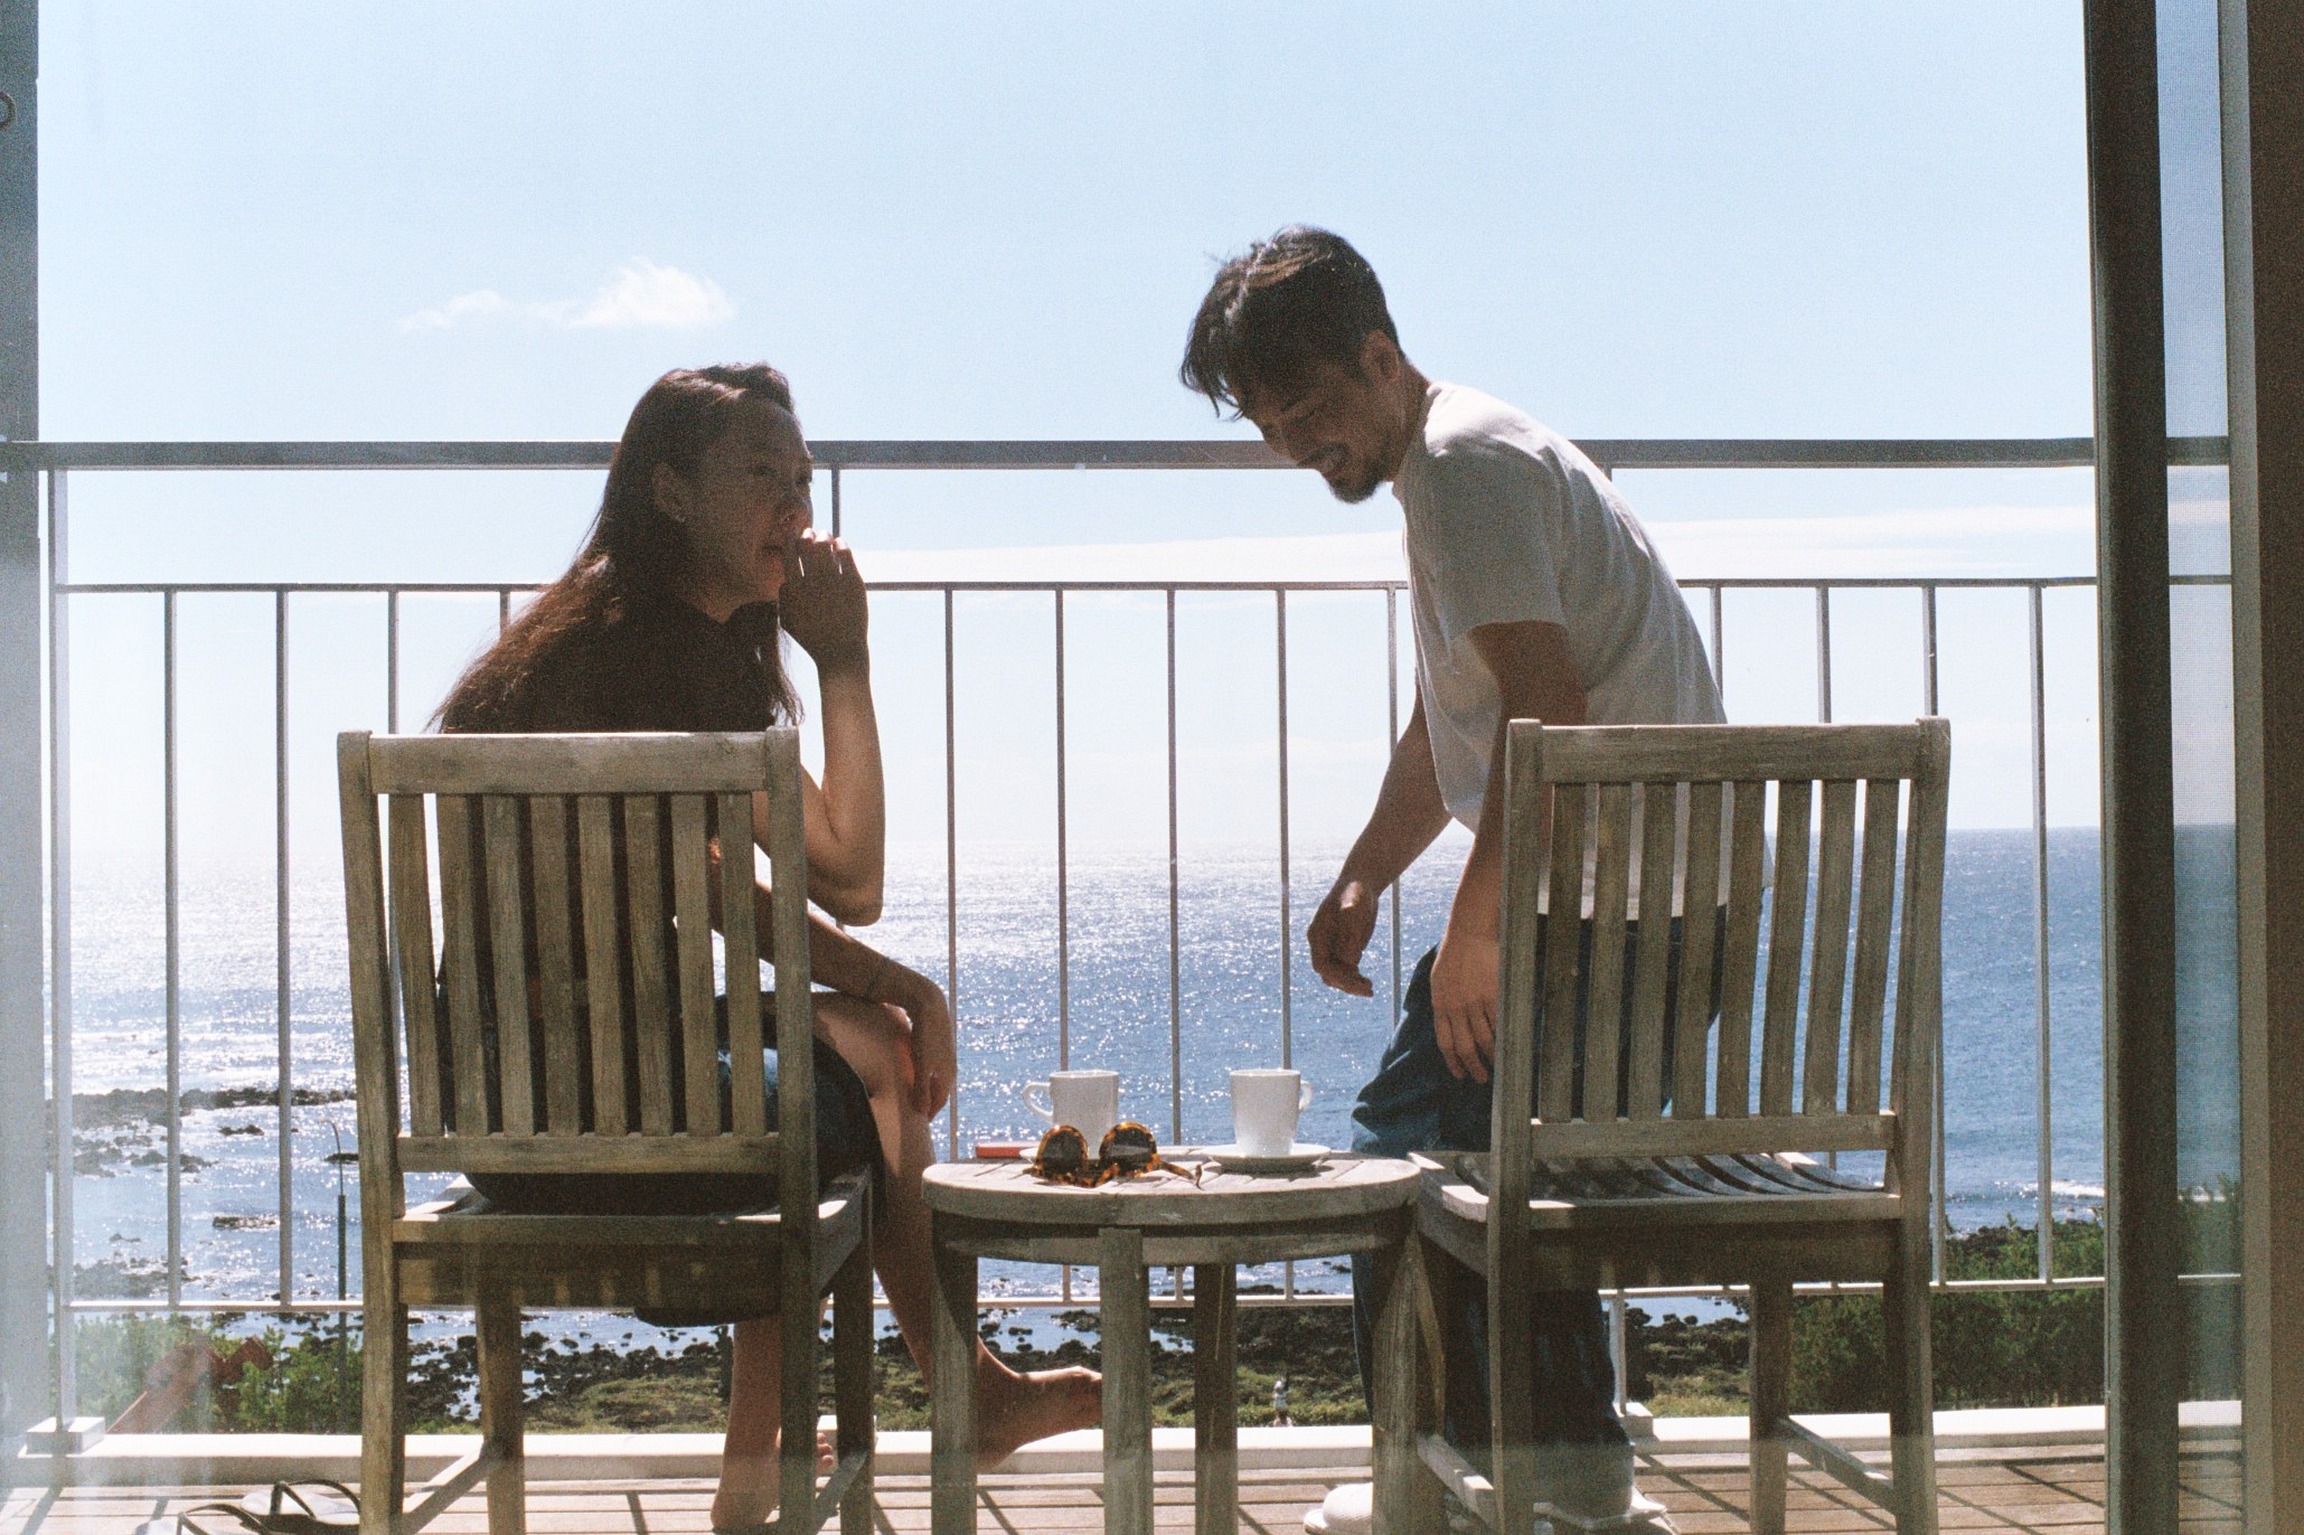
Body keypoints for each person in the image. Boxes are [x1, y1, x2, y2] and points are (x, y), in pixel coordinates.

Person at [434, 364, 1100, 1531]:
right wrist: (845, 658)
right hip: (636, 1128)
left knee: (849, 1043)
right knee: (824, 1091)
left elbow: (711, 890)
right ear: (671, 492)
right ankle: (890, 1418)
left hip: (505, 1126)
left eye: (804, 479)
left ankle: (849, 1432)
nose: (795, 508)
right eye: (762, 478)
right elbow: (852, 874)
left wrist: (898, 989)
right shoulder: (684, 661)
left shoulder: (567, 648)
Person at [1182, 229, 1720, 1534]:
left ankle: (1439, 1482)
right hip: (1650, 921)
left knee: (1396, 1162)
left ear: (1381, 357)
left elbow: (1547, 718)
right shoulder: (1467, 454)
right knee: (1485, 1161)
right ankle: (1568, 1472)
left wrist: (1477, 932)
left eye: (1308, 410)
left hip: (1605, 931)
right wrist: (1369, 874)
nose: (1296, 446)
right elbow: (1459, 721)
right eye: (1271, 425)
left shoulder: (1465, 472)